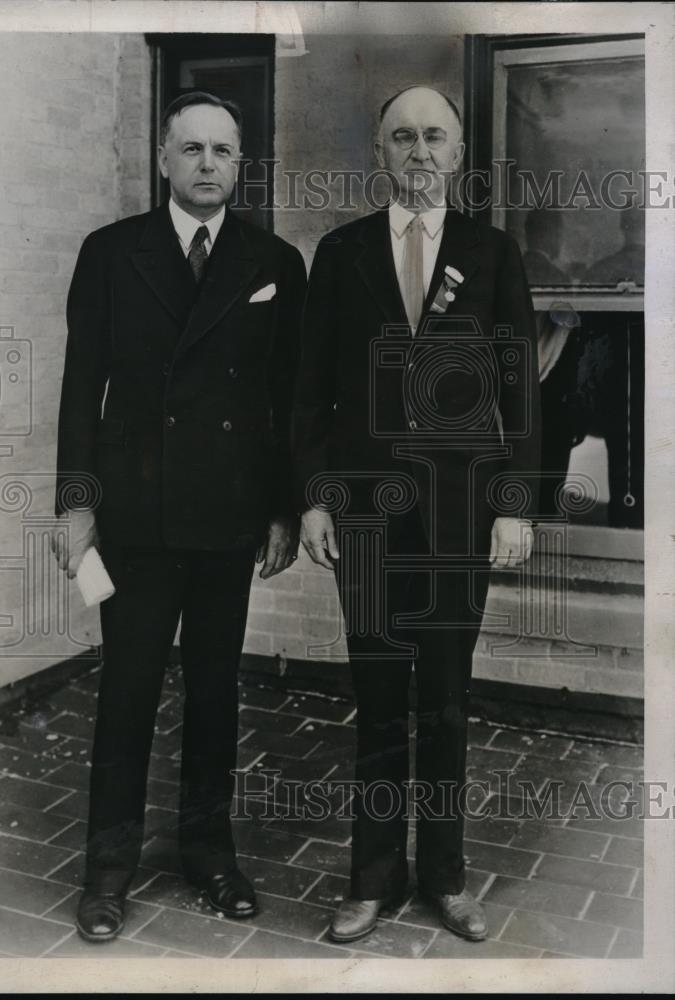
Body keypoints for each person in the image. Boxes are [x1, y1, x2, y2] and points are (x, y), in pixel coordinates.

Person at [52, 91, 306, 942]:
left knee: (214, 691)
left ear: (240, 164)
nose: (207, 165)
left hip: (228, 514)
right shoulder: (111, 253)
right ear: (162, 159)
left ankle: (210, 854)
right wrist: (76, 506)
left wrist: (280, 509)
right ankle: (108, 868)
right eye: (191, 149)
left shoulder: (274, 260)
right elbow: (81, 391)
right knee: (125, 693)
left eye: (222, 152)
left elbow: (281, 402)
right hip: (136, 514)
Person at [293, 85, 541, 944]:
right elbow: (311, 393)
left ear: (459, 151)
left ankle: (444, 874)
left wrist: (512, 505)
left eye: (435, 135)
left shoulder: (492, 252)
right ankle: (371, 877)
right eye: (402, 137)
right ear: (379, 151)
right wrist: (318, 497)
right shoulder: (341, 253)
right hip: (363, 515)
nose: (419, 151)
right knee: (376, 693)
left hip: (455, 514)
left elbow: (519, 392)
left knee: (442, 696)